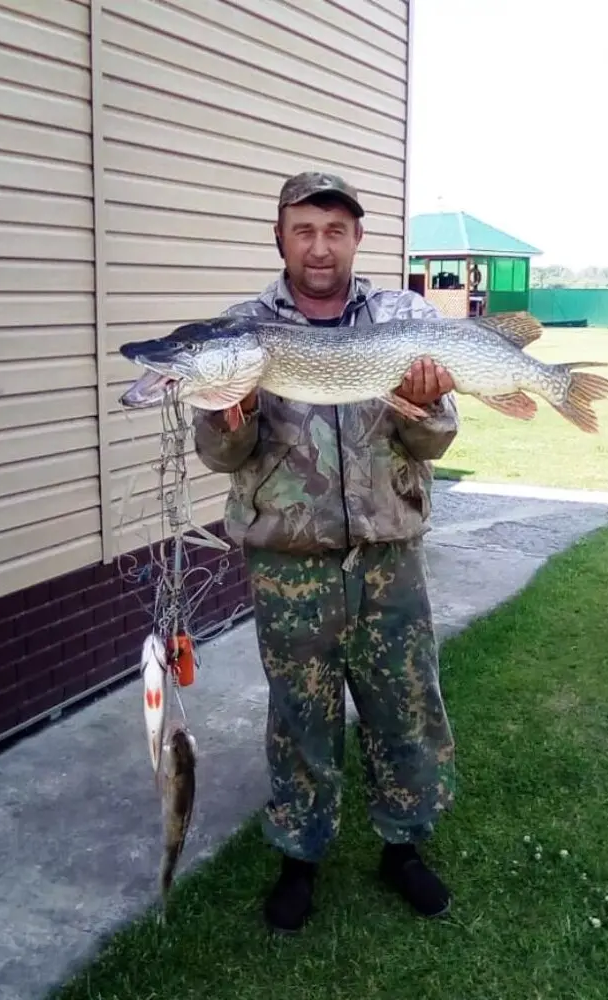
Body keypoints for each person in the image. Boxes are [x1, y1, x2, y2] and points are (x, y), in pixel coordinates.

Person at [193, 170, 459, 934]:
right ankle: (299, 855)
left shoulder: (402, 316)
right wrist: (231, 407)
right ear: (280, 235)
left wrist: (426, 398)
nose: (319, 246)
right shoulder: (242, 330)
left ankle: (404, 846)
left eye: (335, 230)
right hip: (289, 559)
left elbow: (434, 439)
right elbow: (221, 452)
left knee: (404, 705)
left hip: (387, 554)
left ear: (356, 239)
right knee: (300, 716)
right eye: (304, 229)